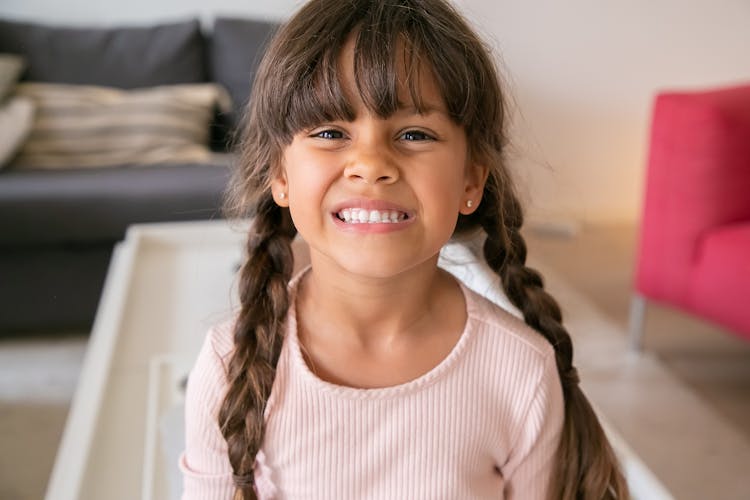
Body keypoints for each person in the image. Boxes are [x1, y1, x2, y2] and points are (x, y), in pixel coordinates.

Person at [180, 0, 629, 499]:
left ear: (471, 180)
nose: (370, 165)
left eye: (415, 134)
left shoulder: (521, 372)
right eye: (330, 133)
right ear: (279, 176)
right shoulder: (228, 365)